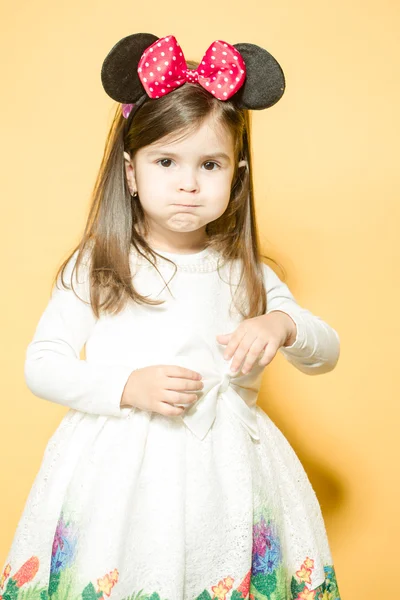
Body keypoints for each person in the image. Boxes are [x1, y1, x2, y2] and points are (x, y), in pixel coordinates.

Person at [0, 33, 342, 600]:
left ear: (237, 175)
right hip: (123, 477)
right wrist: (126, 386)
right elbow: (42, 364)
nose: (188, 182)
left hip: (227, 475)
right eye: (166, 161)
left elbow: (326, 352)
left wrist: (283, 325)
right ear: (132, 173)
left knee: (215, 570)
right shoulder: (101, 264)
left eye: (210, 163)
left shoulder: (245, 270)